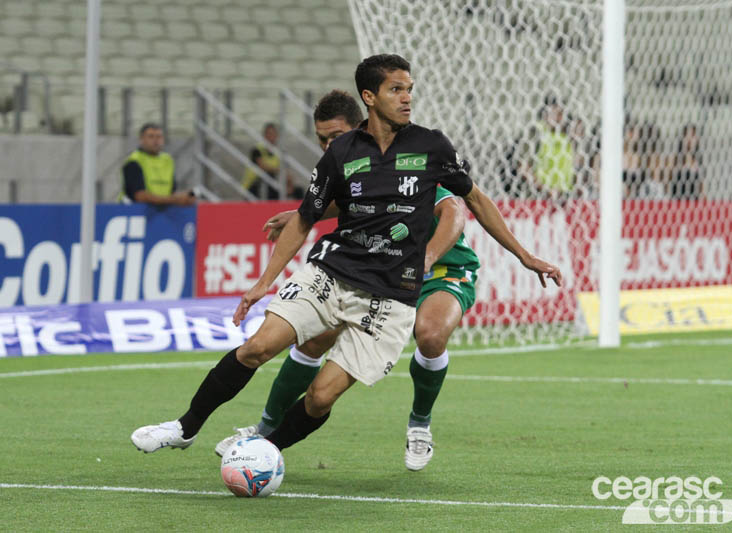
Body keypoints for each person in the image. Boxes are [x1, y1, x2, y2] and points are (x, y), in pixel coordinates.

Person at [131, 54, 562, 462]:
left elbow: (474, 202)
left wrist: (525, 255)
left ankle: (267, 449)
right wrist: (265, 281)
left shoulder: (432, 146)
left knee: (321, 397)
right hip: (333, 272)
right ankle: (184, 427)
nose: (407, 97)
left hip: (392, 296)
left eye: (409, 89)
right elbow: (307, 217)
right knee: (256, 348)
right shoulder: (340, 153)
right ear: (370, 98)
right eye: (396, 89)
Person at [213, 89, 476, 471]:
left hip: (439, 269)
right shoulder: (348, 163)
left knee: (432, 335)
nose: (330, 146)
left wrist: (426, 259)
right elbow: (338, 202)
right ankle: (264, 431)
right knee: (316, 335)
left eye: (337, 137)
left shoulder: (413, 154)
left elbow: (453, 211)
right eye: (323, 140)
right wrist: (304, 212)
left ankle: (420, 423)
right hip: (379, 272)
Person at [119, 123, 195, 206]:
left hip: (162, 211)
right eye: (151, 137)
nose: (156, 141)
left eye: (159, 137)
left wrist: (184, 197)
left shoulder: (168, 160)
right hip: (135, 213)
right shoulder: (134, 161)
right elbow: (140, 196)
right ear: (141, 139)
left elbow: (171, 191)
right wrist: (175, 200)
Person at [241, 123, 304, 200]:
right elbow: (263, 166)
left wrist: (290, 185)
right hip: (254, 185)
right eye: (268, 134)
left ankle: (302, 211)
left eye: (273, 134)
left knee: (298, 190)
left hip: (273, 184)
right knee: (270, 178)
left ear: (277, 136)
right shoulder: (257, 150)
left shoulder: (280, 152)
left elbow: (287, 172)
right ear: (264, 136)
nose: (271, 137)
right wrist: (279, 170)